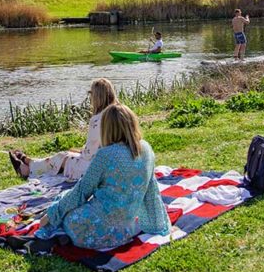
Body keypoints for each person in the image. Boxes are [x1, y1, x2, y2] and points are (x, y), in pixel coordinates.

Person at [36, 103, 171, 250]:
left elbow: (82, 191)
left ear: (107, 127)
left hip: (96, 232)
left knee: (65, 205)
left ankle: (52, 223)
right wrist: (158, 223)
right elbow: (151, 191)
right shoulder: (146, 149)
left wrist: (51, 215)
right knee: (66, 200)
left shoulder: (106, 155)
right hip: (127, 229)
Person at [9, 78, 118, 180]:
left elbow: (89, 153)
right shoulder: (118, 114)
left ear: (97, 97)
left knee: (62, 157)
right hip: (112, 163)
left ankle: (27, 168)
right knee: (64, 156)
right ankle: (29, 162)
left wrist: (81, 151)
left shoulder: (97, 120)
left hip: (94, 168)